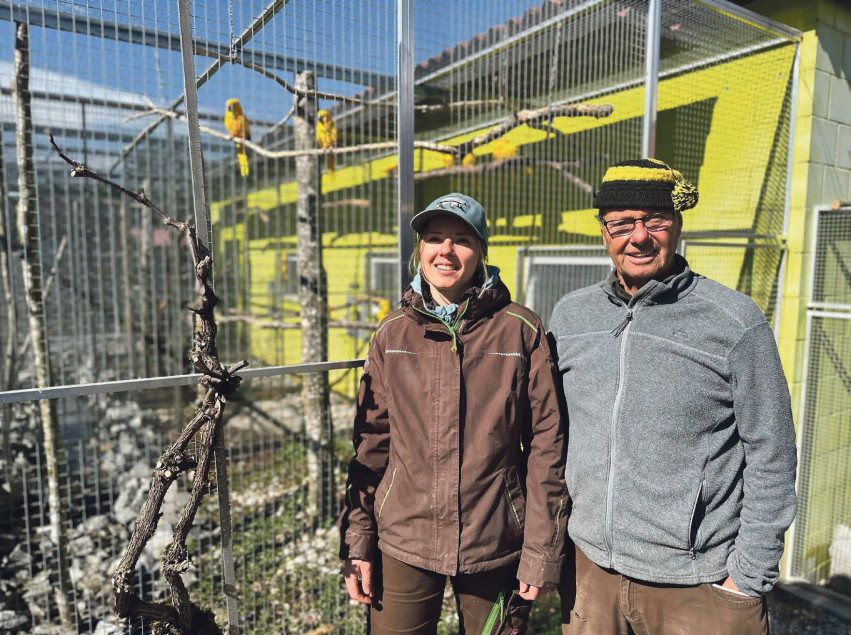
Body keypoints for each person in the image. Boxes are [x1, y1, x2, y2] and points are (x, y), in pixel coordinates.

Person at [549, 159, 797, 635]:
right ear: (604, 232)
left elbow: (773, 451)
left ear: (678, 225)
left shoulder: (733, 321)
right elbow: (550, 434)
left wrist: (747, 576)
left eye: (655, 221)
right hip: (591, 575)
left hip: (698, 586)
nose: (638, 237)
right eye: (622, 223)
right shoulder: (572, 316)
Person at [339, 193, 568, 634]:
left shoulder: (521, 330)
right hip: (403, 538)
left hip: (496, 539)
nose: (446, 250)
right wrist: (358, 542)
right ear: (419, 250)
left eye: (462, 239)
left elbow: (548, 449)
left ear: (481, 250)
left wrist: (541, 553)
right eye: (434, 238)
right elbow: (370, 448)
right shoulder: (392, 335)